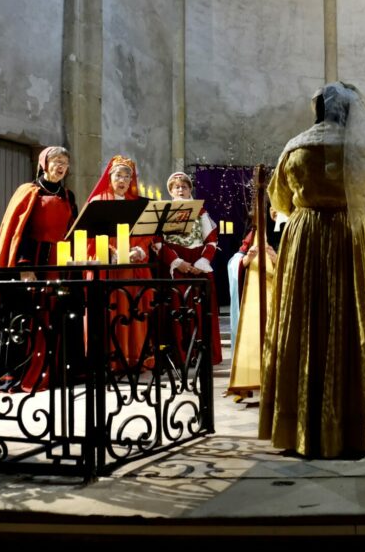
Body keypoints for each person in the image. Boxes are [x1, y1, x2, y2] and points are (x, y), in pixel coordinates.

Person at [258, 82, 365, 458]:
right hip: (354, 238)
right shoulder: (362, 147)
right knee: (353, 320)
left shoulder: (295, 146)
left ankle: (301, 425)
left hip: (306, 237)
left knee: (306, 323)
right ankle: (360, 422)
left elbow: (279, 199)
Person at [0, 146, 79, 392]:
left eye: (64, 162)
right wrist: (24, 266)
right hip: (34, 263)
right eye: (55, 161)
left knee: (58, 315)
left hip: (60, 265)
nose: (60, 166)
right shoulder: (29, 192)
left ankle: (57, 369)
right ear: (43, 163)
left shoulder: (69, 196)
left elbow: (74, 230)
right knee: (31, 318)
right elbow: (19, 232)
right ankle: (24, 371)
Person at [86, 155, 154, 371]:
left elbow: (147, 233)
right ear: (109, 177)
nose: (123, 180)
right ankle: (109, 360)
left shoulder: (138, 204)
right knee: (110, 310)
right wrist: (110, 252)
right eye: (118, 175)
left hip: (132, 267)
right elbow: (87, 234)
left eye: (127, 176)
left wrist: (139, 249)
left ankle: (134, 357)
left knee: (133, 311)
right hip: (108, 267)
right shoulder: (98, 202)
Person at [153, 172, 223, 366]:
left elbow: (211, 240)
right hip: (176, 266)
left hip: (198, 265)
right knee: (177, 310)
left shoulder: (201, 211)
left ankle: (203, 353)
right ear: (171, 191)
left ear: (190, 189)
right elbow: (159, 243)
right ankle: (181, 354)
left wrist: (201, 263)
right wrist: (178, 263)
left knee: (201, 310)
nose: (180, 190)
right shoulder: (164, 212)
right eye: (176, 187)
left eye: (184, 187)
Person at [225, 206, 277, 401]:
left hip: (276, 296)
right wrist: (246, 260)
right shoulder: (249, 236)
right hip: (254, 297)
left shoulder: (286, 232)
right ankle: (245, 380)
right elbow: (234, 261)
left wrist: (276, 258)